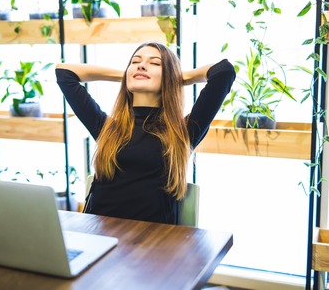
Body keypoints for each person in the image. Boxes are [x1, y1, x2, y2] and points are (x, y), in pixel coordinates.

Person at [56, 42, 235, 224]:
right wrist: (126, 75)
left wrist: (180, 77)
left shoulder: (183, 132)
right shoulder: (107, 129)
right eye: (135, 62)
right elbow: (64, 73)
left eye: (156, 63)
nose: (141, 65)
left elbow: (223, 71)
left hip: (152, 242)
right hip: (99, 235)